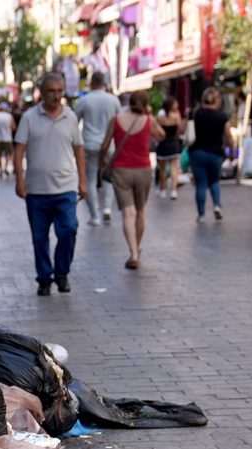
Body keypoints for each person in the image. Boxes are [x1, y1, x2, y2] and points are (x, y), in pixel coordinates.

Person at [14, 73, 87, 295]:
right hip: (37, 189)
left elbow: (78, 149)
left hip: (65, 188)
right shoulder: (29, 117)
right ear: (42, 92)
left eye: (59, 91)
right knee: (39, 237)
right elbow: (19, 151)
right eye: (51, 91)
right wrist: (19, 179)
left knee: (69, 229)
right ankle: (44, 278)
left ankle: (62, 273)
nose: (56, 96)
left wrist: (83, 180)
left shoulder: (70, 117)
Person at [100, 91, 164, 269]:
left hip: (121, 170)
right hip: (143, 170)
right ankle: (136, 249)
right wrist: (148, 115)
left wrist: (102, 161)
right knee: (140, 211)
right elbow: (162, 135)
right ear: (146, 104)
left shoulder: (116, 119)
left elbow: (105, 145)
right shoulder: (149, 121)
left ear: (129, 102)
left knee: (128, 213)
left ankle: (134, 253)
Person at [74, 71, 120, 224]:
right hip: (110, 145)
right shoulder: (113, 100)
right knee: (108, 178)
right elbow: (119, 122)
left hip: (89, 144)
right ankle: (107, 208)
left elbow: (74, 121)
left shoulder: (85, 100)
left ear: (91, 83)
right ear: (104, 83)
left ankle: (95, 216)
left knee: (91, 180)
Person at [189, 87, 232, 223]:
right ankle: (217, 206)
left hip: (198, 152)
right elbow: (229, 137)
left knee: (201, 183)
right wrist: (232, 152)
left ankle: (201, 215)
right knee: (214, 181)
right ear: (217, 100)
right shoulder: (222, 116)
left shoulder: (196, 113)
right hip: (216, 153)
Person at [155, 97, 184, 200]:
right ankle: (173, 190)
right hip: (173, 143)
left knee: (162, 168)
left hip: (163, 143)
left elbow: (156, 129)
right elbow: (180, 129)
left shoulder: (160, 117)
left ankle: (162, 189)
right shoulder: (176, 116)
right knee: (174, 167)